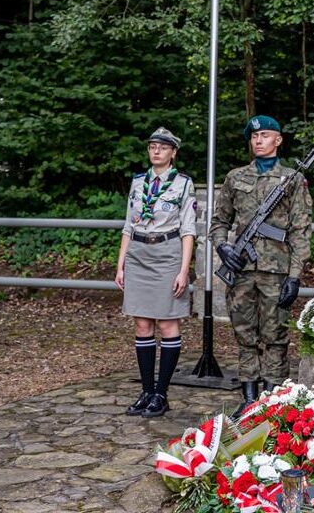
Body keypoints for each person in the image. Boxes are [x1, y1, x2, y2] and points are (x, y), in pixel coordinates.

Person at [210, 115, 312, 419]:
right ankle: (249, 395)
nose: (258, 140)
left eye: (265, 135)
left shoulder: (292, 180)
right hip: (241, 271)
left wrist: (295, 276)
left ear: (278, 140)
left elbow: (301, 230)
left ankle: (272, 396)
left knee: (276, 336)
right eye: (254, 136)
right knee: (245, 335)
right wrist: (223, 246)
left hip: (276, 271)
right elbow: (219, 221)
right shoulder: (235, 177)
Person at [116, 127, 197, 418]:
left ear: (173, 152)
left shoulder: (183, 184)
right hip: (139, 254)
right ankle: (147, 391)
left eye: (163, 147)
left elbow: (188, 230)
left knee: (167, 324)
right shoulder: (138, 183)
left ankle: (161, 393)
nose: (156, 151)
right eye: (152, 146)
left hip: (167, 254)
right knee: (142, 325)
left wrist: (183, 270)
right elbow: (128, 225)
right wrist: (120, 264)